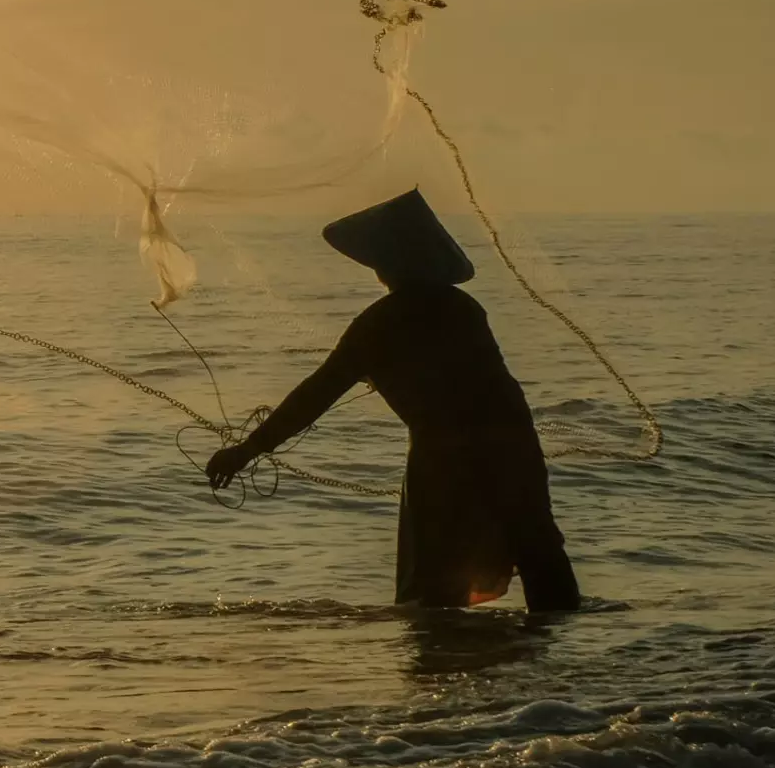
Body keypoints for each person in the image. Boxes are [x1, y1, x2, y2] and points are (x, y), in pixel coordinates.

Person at [205, 189, 581, 612]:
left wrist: (247, 450)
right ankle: (562, 653)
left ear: (385, 265)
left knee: (434, 586)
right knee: (537, 549)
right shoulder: (463, 308)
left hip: (444, 458)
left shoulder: (377, 325)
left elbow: (315, 395)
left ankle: (440, 664)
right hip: (512, 442)